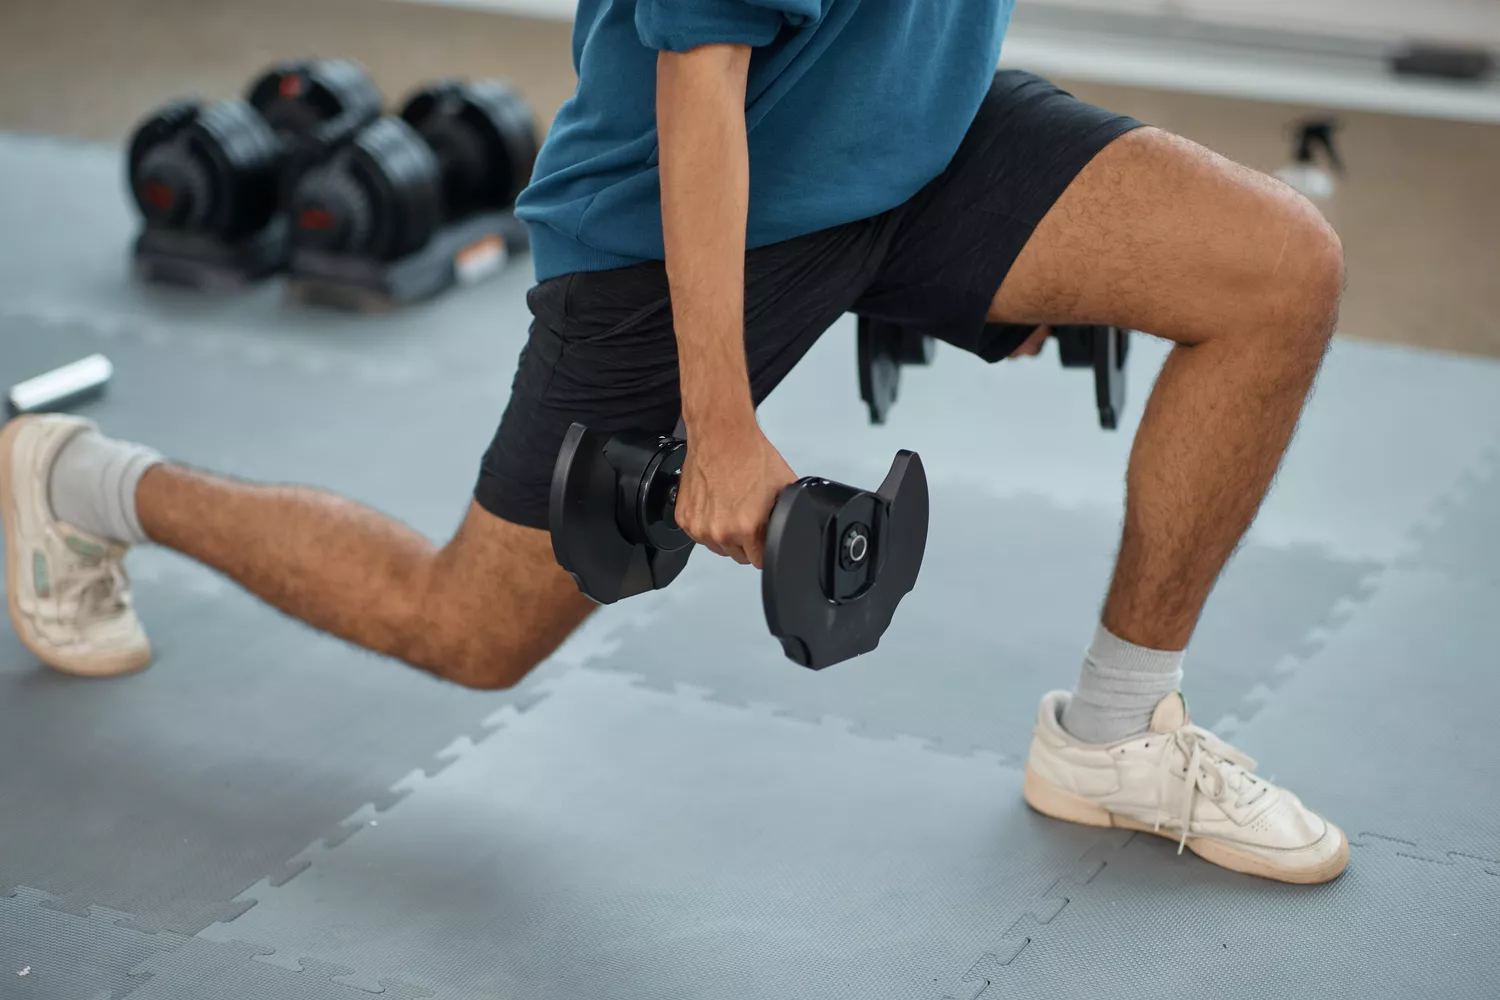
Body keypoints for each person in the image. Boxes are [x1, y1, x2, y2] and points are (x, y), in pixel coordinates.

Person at [0, 0, 1348, 883]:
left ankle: (1115, 733)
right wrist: (720, 426)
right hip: (682, 215)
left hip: (922, 148)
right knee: (467, 629)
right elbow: (698, 98)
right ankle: (76, 481)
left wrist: (1014, 246)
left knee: (1275, 266)